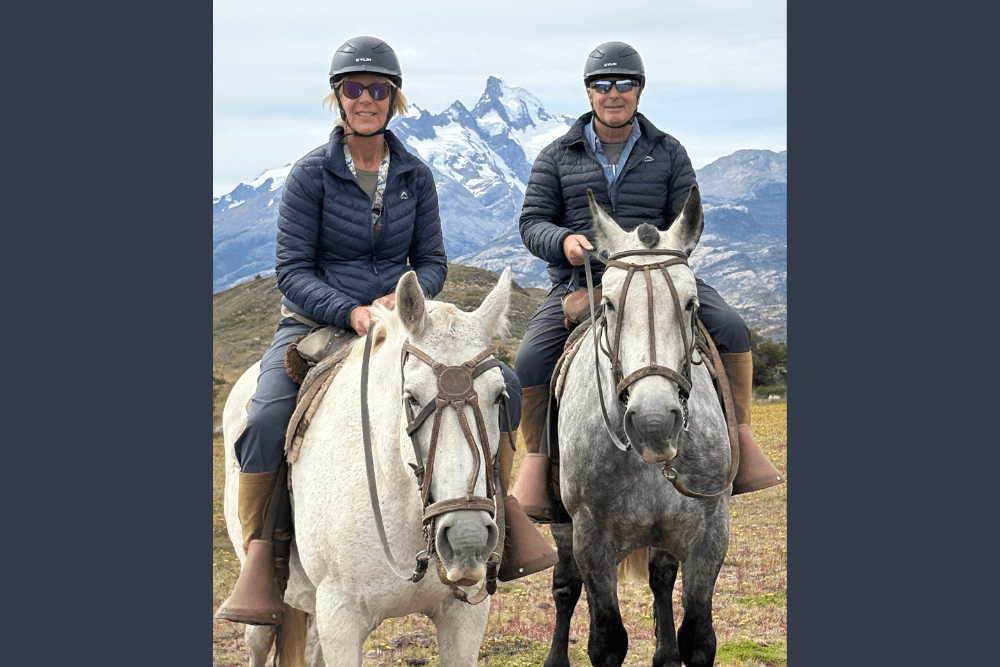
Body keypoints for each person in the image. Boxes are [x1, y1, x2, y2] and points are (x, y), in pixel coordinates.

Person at [216, 36, 552, 627]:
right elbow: (293, 271)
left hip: (405, 322)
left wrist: (402, 301)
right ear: (337, 98)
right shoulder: (307, 177)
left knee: (496, 382)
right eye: (354, 87)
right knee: (266, 416)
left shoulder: (417, 176)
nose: (366, 98)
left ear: (394, 99)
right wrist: (351, 311)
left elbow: (433, 261)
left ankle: (504, 520)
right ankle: (263, 559)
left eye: (378, 88)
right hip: (319, 323)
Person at [511, 41, 784, 522]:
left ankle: (740, 437)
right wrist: (565, 242)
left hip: (658, 274)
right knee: (531, 357)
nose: (612, 93)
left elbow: (686, 218)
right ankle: (537, 465)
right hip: (584, 281)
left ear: (639, 90)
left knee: (734, 328)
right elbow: (532, 222)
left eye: (623, 83)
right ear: (588, 92)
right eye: (601, 84)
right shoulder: (556, 156)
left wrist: (666, 253)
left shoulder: (669, 151)